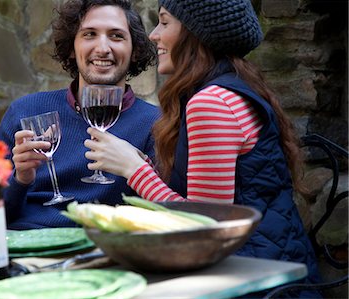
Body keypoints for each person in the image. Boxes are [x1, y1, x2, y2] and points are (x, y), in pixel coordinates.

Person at [83, 0, 322, 296]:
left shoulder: (211, 103)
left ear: (196, 33)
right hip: (272, 265)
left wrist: (134, 170)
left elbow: (205, 228)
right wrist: (142, 163)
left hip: (252, 283)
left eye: (165, 22)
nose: (154, 34)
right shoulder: (231, 86)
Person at [0, 0, 159, 230]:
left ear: (135, 51)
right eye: (90, 34)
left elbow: (164, 215)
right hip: (24, 248)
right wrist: (20, 180)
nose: (103, 48)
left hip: (102, 252)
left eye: (116, 36)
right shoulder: (24, 111)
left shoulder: (155, 124)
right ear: (72, 48)